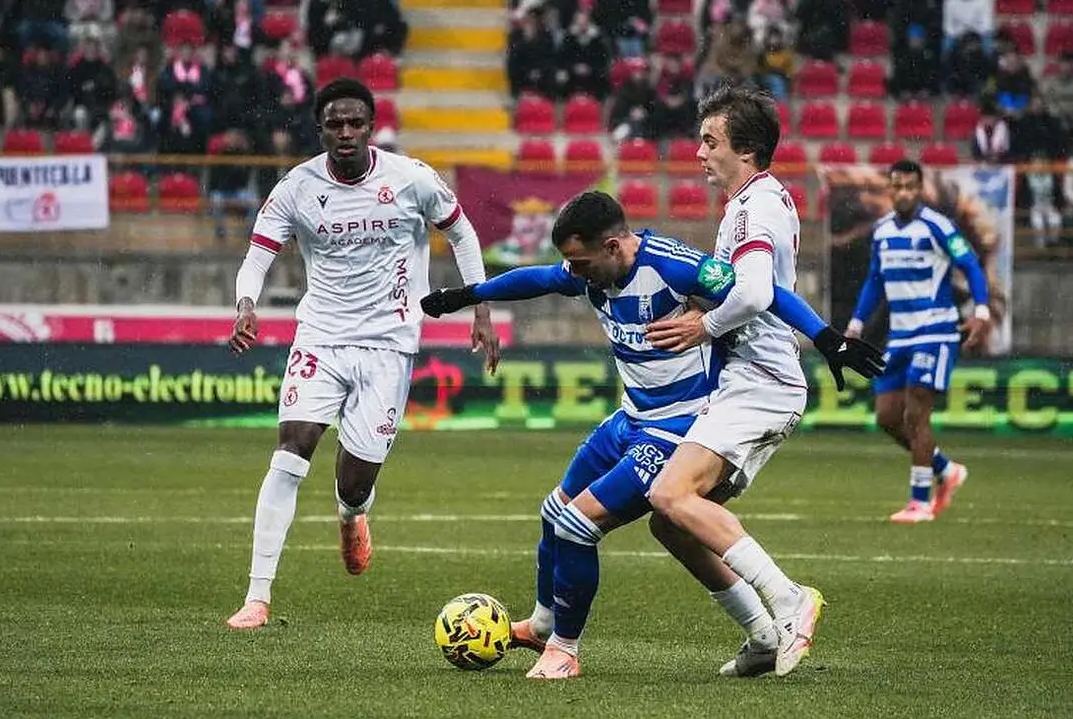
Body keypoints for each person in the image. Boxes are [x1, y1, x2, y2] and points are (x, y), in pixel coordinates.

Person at [420, 191, 882, 679]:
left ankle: (564, 650)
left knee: (579, 524)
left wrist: (826, 336)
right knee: (554, 513)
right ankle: (543, 624)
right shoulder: (589, 268)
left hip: (679, 427)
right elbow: (538, 279)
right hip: (632, 417)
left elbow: (762, 289)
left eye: (580, 262)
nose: (573, 273)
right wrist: (469, 295)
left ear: (615, 246)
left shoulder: (673, 266)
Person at [223, 78, 502, 630]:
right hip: (320, 337)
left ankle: (352, 516)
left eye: (355, 123)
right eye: (335, 123)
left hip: (388, 344)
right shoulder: (296, 188)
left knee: (354, 483)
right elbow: (258, 254)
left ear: (370, 127)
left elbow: (463, 235)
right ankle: (257, 596)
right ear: (320, 128)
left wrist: (482, 308)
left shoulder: (412, 179)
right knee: (291, 449)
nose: (345, 132)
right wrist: (246, 304)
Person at [637, 82, 873, 678]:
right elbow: (773, 292)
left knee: (669, 495)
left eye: (709, 141)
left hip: (758, 382)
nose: (699, 153)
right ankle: (763, 637)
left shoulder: (755, 206)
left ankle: (792, 602)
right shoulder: (758, 201)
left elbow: (756, 292)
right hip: (753, 380)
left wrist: (703, 326)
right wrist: (823, 336)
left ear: (746, 151)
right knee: (671, 520)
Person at [846, 159, 990, 523]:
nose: (905, 193)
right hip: (901, 334)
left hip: (936, 330)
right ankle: (946, 469)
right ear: (890, 190)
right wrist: (856, 324)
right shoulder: (881, 231)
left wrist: (982, 312)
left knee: (915, 414)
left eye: (911, 186)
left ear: (921, 189)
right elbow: (875, 280)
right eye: (898, 186)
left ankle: (920, 502)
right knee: (887, 416)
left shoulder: (938, 227)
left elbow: (971, 265)